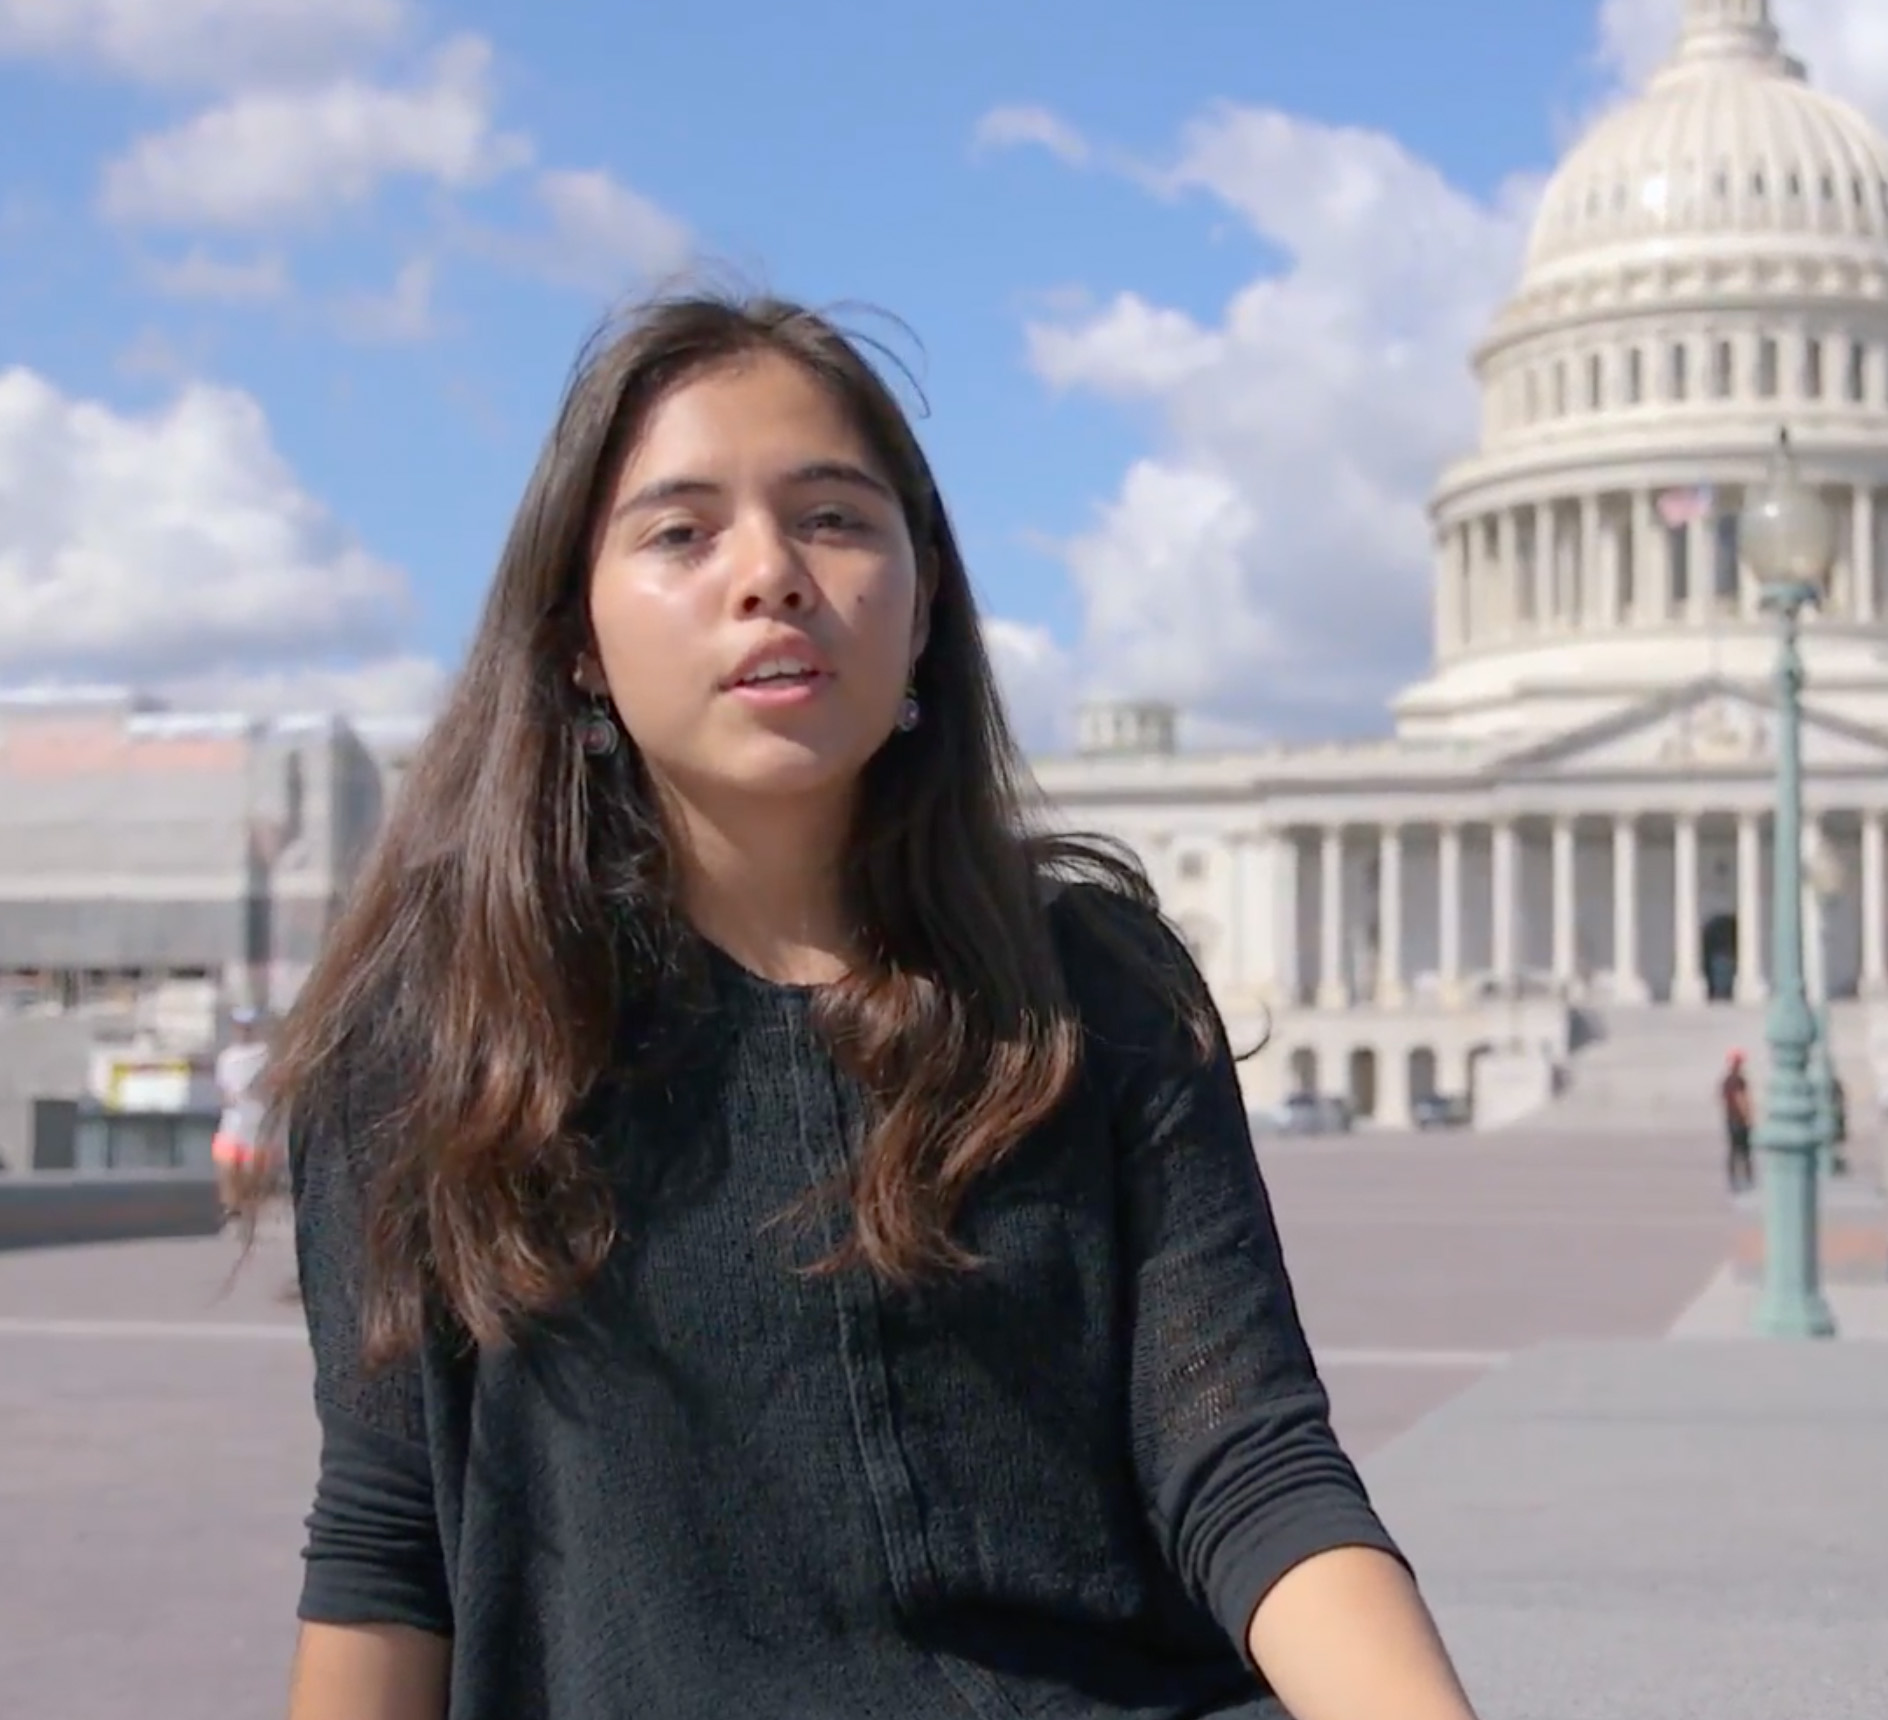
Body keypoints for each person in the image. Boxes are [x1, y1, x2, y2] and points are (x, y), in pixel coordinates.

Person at [240, 289, 1481, 1720]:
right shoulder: (433, 1050)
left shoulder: (1090, 993)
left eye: (833, 517)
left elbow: (1249, 1463)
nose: (769, 573)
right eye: (680, 531)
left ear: (926, 596)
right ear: (576, 635)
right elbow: (392, 1549)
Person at [210, 1007, 272, 1216]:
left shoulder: (264, 1053)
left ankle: (249, 1205)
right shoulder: (227, 1057)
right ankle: (231, 1206)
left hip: (256, 1119)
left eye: (247, 1027)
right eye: (239, 1026)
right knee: (226, 1164)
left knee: (251, 1169)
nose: (243, 1031)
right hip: (232, 1118)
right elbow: (223, 1087)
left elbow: (272, 1081)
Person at [1719, 1049, 1754, 1193]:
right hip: (1739, 1120)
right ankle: (1747, 1179)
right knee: (1744, 1151)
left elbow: (1721, 1098)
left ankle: (1733, 1179)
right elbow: (1742, 1099)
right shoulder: (1739, 1081)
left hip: (1730, 1119)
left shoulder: (1726, 1080)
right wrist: (1748, 1117)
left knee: (1734, 1151)